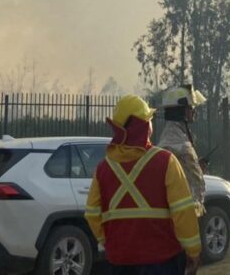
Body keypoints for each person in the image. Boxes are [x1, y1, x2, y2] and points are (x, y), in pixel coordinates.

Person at [86, 95, 202, 275]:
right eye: (149, 120)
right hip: (162, 262)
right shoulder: (166, 161)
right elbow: (183, 211)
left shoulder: (103, 168)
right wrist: (193, 250)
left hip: (119, 262)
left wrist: (108, 242)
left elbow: (92, 214)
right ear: (144, 126)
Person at [158, 85, 207, 217]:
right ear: (183, 111)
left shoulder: (166, 139)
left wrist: (196, 166)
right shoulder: (182, 146)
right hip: (183, 215)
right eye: (191, 108)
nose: (194, 111)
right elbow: (196, 187)